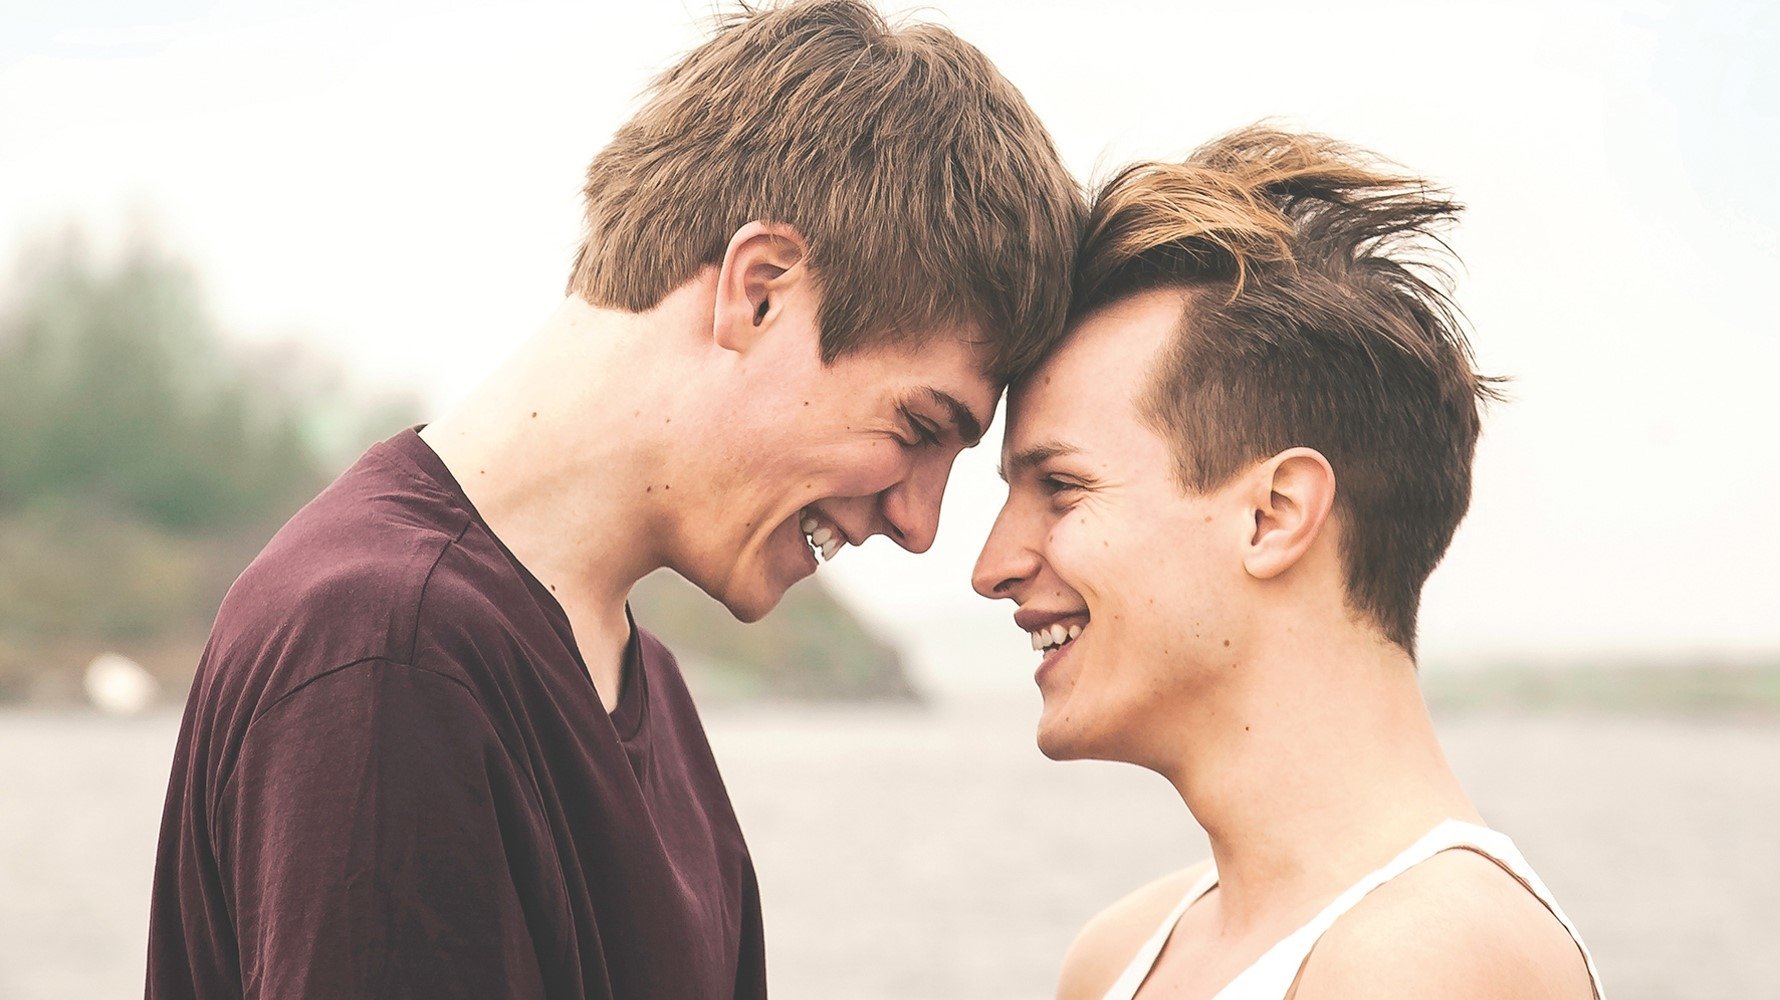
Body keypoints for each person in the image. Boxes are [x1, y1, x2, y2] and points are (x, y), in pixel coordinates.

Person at [146, 2, 1083, 997]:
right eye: (919, 427)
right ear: (758, 290)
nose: (919, 523)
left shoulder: (642, 690)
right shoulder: (389, 656)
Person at [973, 126, 1605, 999]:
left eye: (1060, 488)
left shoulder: (1429, 962)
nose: (992, 565)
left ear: (1273, 516)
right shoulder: (1118, 955)